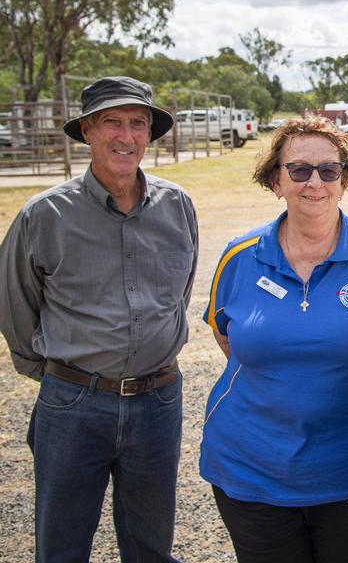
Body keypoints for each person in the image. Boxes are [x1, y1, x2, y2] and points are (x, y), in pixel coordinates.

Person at [0, 76, 198, 563]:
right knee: (61, 546)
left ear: (150, 133)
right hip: (73, 404)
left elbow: (180, 292)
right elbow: (14, 305)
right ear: (87, 130)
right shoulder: (44, 215)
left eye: (137, 123)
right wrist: (59, 376)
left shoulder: (178, 207)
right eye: (112, 122)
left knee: (151, 546)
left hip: (158, 403)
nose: (125, 136)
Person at [200, 116, 348, 563]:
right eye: (298, 170)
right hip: (251, 470)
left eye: (328, 170)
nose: (314, 182)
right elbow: (227, 339)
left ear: (344, 180)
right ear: (276, 181)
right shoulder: (240, 257)